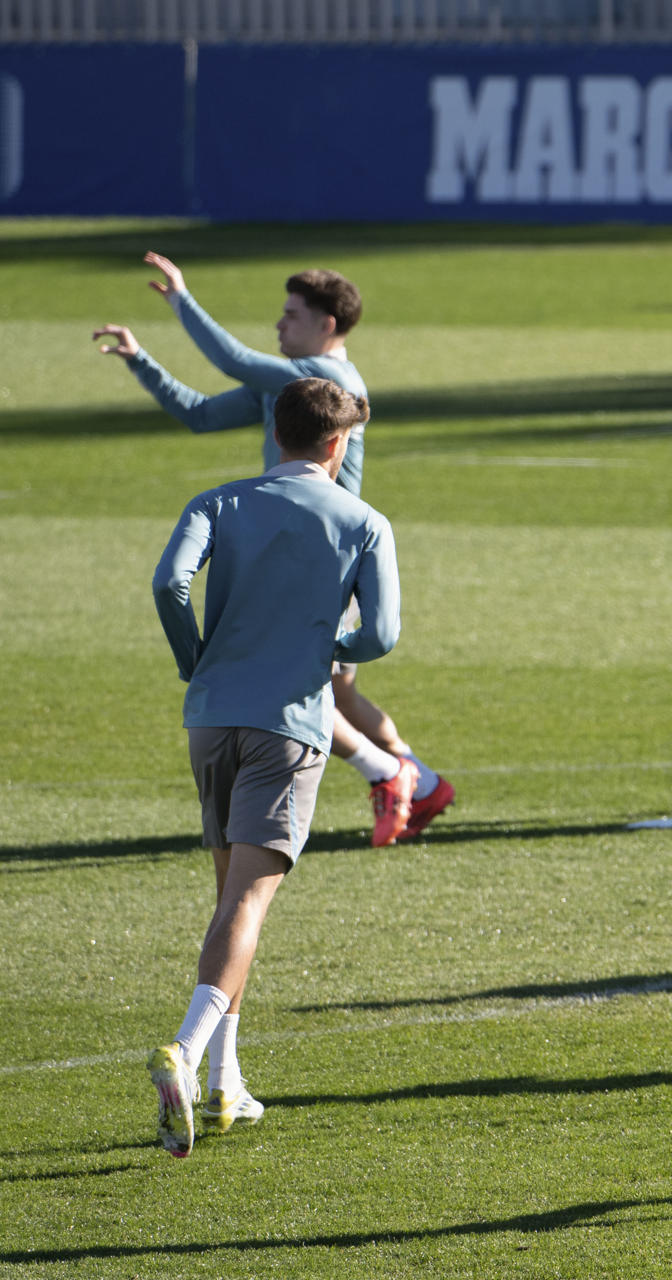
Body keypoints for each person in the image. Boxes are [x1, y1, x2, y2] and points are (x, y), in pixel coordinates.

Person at [95, 252, 452, 846]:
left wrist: (181, 299)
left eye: (290, 315)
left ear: (327, 324)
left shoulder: (330, 387)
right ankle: (423, 782)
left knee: (296, 684)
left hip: (326, 561)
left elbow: (231, 359)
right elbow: (203, 415)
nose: (278, 326)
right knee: (338, 690)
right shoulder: (286, 390)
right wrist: (142, 362)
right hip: (293, 553)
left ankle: (391, 773)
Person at [147, 378, 401, 1156]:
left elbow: (168, 583)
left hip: (210, 716)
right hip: (288, 726)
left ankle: (226, 1085)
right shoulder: (363, 520)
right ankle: (185, 1054)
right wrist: (326, 644)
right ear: (336, 444)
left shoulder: (218, 502)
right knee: (248, 905)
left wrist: (198, 659)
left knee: (230, 900)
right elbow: (382, 635)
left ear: (279, 431)